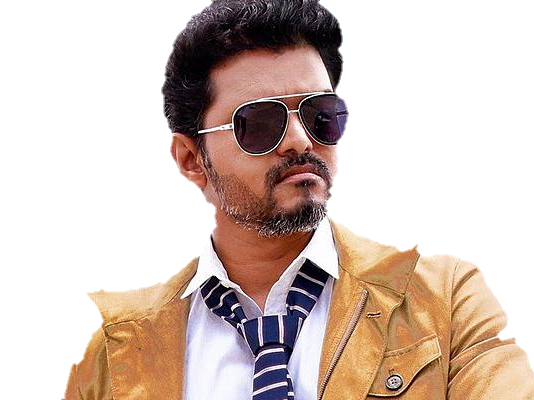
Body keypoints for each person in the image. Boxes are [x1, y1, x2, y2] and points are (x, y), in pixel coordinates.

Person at [64, 0, 534, 399]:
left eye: (320, 114)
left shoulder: (444, 299)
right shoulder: (115, 353)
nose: (299, 140)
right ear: (191, 160)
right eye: (259, 123)